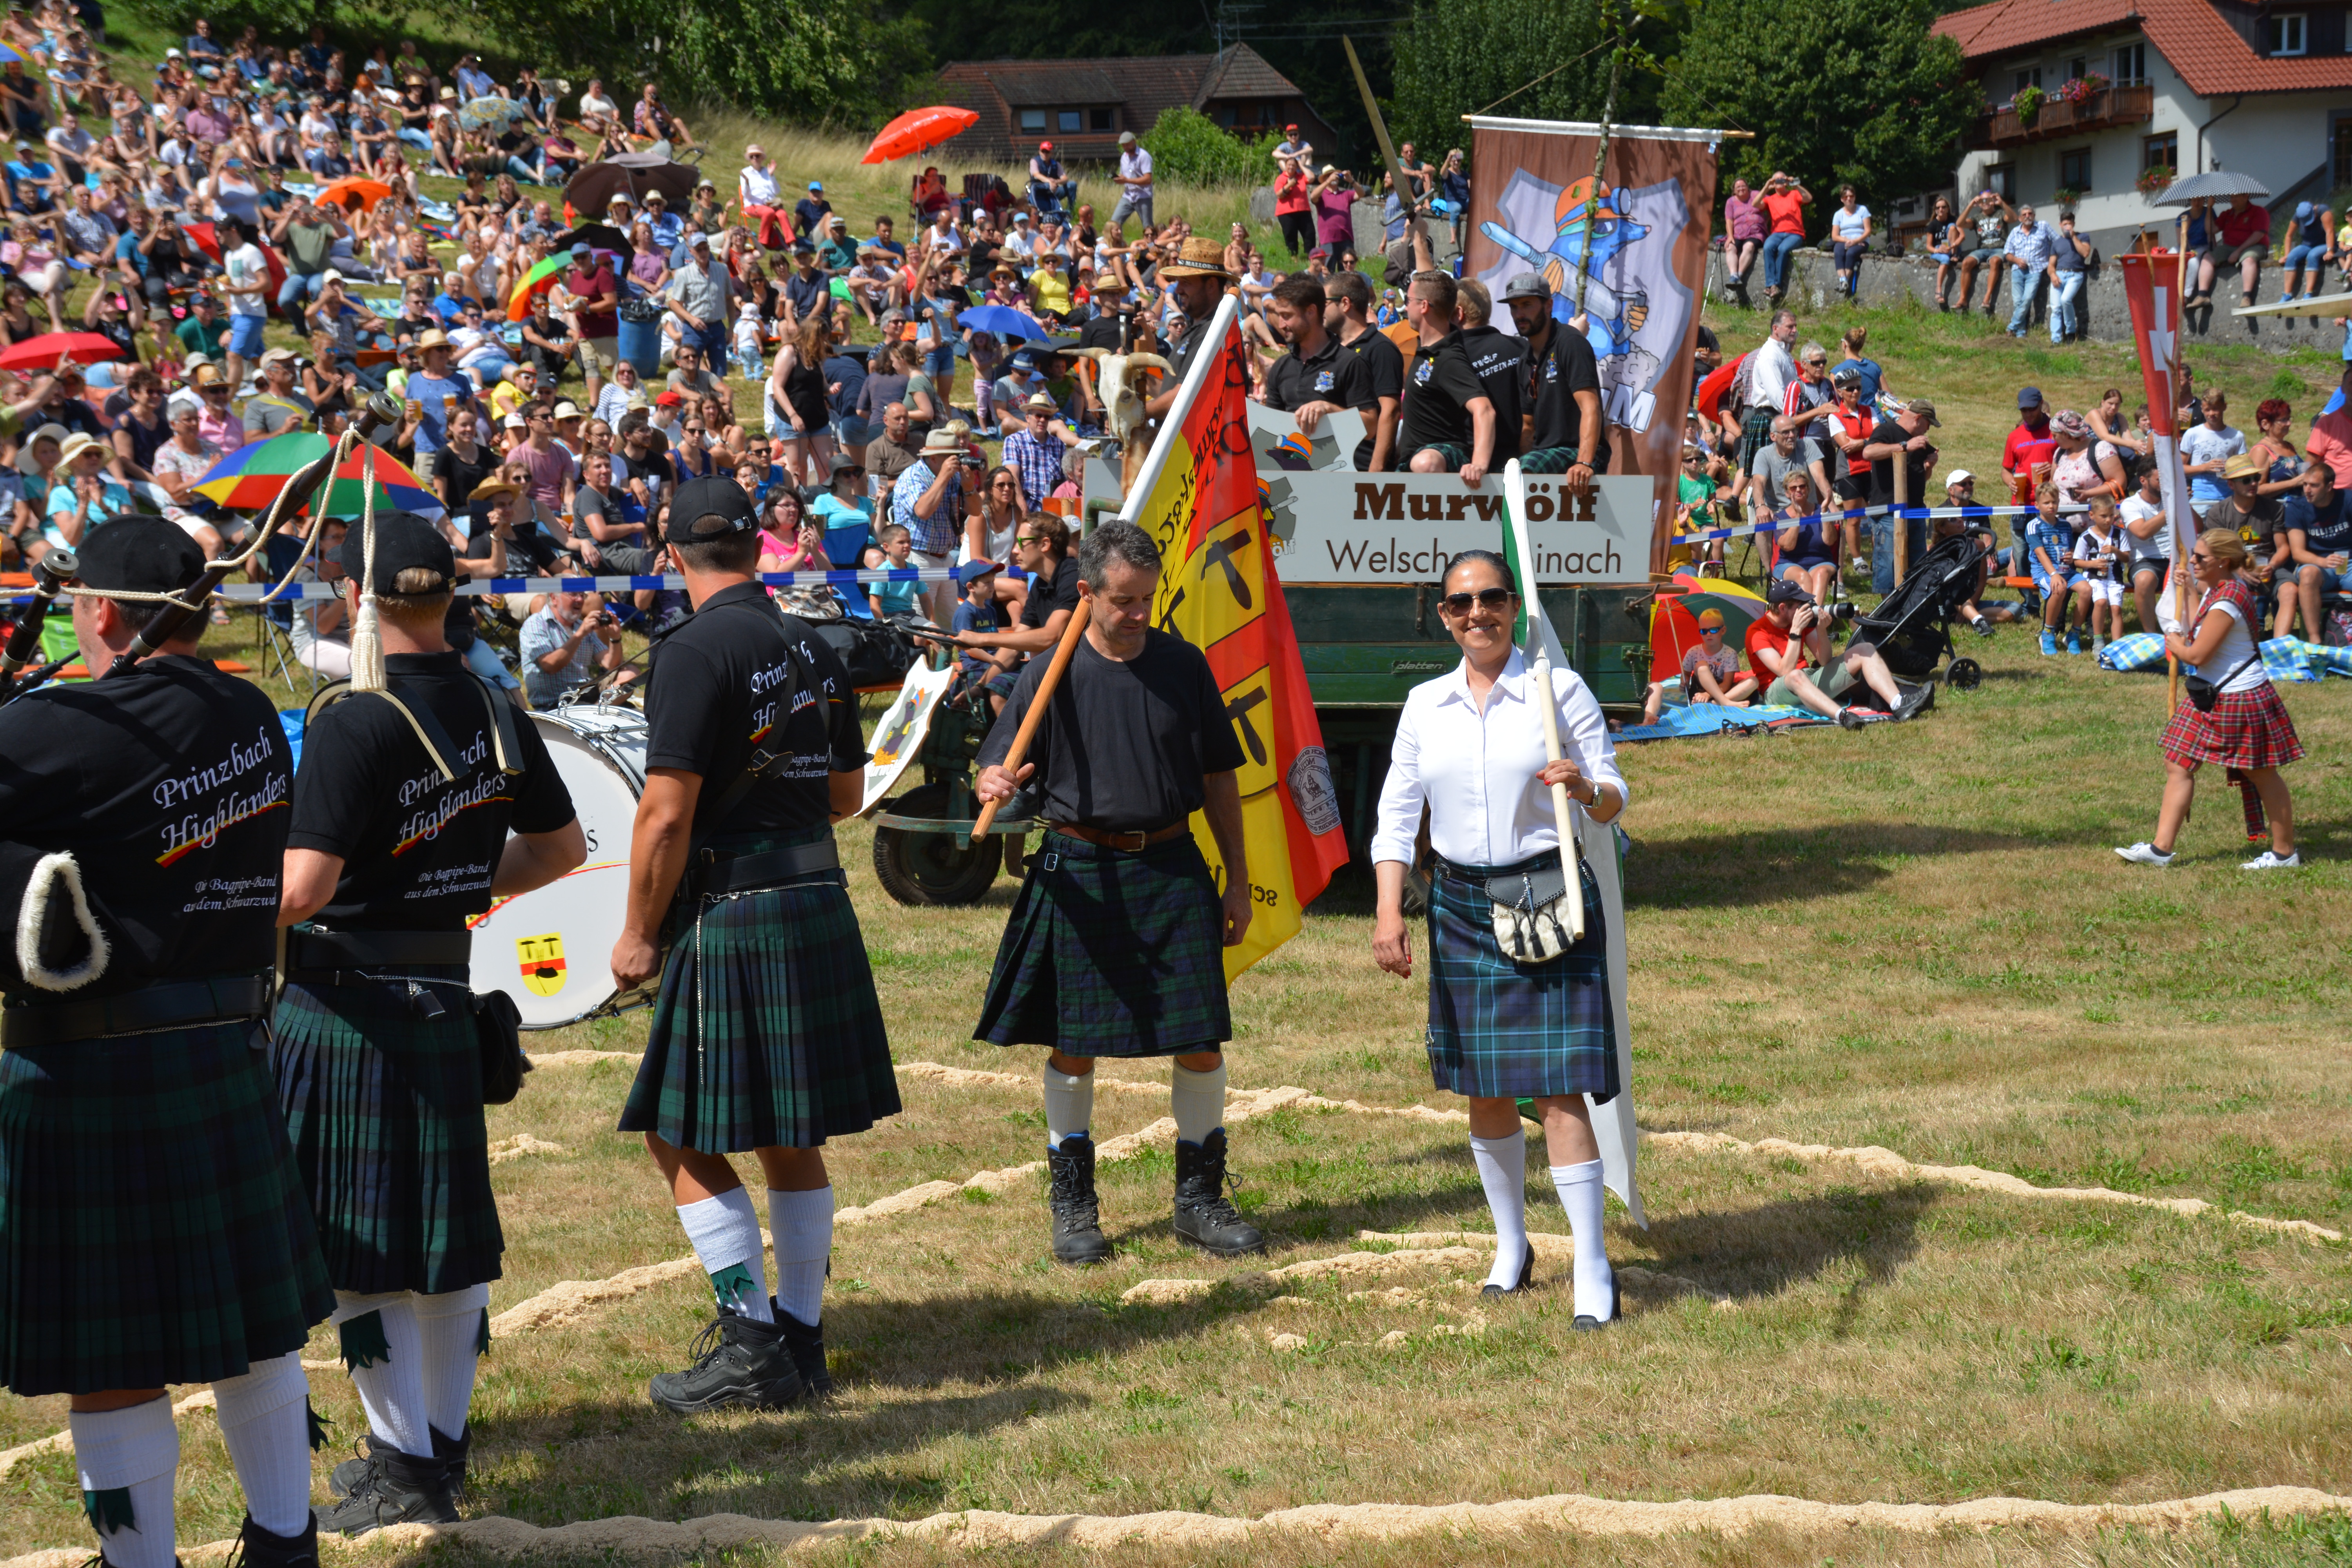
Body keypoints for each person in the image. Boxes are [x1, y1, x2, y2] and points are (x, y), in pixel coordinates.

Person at [0, 518, 332, 1568]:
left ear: (101, 613)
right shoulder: (242, 706)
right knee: (252, 1325)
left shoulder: (61, 729)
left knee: (109, 1351)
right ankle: (287, 1542)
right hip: (225, 1045)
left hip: (96, 1062)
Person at [272, 515, 584, 1536]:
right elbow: (561, 849)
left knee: (361, 1251)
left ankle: (406, 1464)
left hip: (351, 1004)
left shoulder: (353, 719)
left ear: (359, 598)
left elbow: (305, 889)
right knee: (443, 1248)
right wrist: (447, 888)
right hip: (443, 992)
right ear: (447, 593)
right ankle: (433, 1451)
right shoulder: (495, 705)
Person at [609, 475, 897, 1413]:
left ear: (672, 550)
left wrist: (638, 932)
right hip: (816, 892)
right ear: (753, 546)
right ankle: (802, 1345)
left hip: (735, 908)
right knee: (789, 1131)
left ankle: (749, 1341)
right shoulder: (812, 642)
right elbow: (848, 797)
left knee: (676, 1129)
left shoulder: (691, 650)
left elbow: (664, 813)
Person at [970, 521, 1256, 1266]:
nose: (1138, 616)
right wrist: (992, 780)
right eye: (1123, 601)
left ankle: (1199, 1201)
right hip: (1081, 868)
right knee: (1074, 1046)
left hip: (1171, 864)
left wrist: (1236, 879)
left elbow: (1220, 777)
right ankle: (1073, 1205)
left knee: (1199, 1041)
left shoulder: (1183, 666)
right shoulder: (1050, 675)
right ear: (1088, 593)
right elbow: (997, 766)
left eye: (1146, 601)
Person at [1368, 548, 1625, 1321]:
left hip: (1544, 887)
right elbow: (1396, 815)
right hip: (1457, 900)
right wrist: (1388, 911)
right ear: (1441, 614)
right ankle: (1511, 1244)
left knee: (1556, 1085)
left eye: (1489, 599)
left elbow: (1614, 794)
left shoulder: (1557, 690)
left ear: (1513, 606)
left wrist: (1583, 787)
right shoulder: (1425, 704)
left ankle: (1593, 1263)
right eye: (1459, 603)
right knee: (1483, 1086)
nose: (1475, 613)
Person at [2116, 529, 2302, 870]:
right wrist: (2189, 591)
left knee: (2260, 772)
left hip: (2240, 696)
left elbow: (2197, 653)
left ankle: (2284, 853)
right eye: (2195, 555)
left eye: (2202, 557)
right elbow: (2198, 622)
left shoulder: (2228, 599)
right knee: (2178, 761)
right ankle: (2160, 850)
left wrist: (2171, 642)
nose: (2195, 561)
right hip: (2212, 695)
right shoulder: (2220, 590)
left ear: (2224, 562)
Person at [1746, 576, 1918, 723]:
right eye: (1799, 605)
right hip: (1775, 692)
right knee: (1795, 676)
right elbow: (1784, 671)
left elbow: (1825, 661)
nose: (1805, 608)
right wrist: (1796, 632)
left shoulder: (1798, 622)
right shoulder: (1757, 632)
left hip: (1807, 679)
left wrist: (1821, 630)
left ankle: (1899, 704)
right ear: (1783, 608)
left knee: (1866, 649)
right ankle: (1842, 716)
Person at [1501, 273, 1607, 481]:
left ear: (1548, 305)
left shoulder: (1570, 343)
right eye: (1514, 307)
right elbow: (1528, 427)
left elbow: (1590, 406)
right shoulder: (1525, 360)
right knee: (1507, 470)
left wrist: (1584, 463)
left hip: (1578, 452)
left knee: (1524, 468)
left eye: (1527, 304)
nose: (1519, 314)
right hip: (1543, 455)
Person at [1397, 270, 1495, 483]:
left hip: (1438, 459)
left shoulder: (1448, 358)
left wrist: (1478, 465)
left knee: (1425, 463)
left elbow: (1484, 410)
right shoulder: (1428, 348)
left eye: (1408, 300)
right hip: (1411, 466)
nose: (1405, 307)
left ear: (1424, 306)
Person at [1859, 396, 1939, 593]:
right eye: (1928, 424)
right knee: (1888, 564)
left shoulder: (1919, 442)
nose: (1928, 430)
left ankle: (1910, 608)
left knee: (1917, 564)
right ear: (1919, 418)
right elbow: (1868, 453)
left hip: (1916, 511)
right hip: (1888, 511)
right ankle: (1886, 613)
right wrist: (1904, 446)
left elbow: (1922, 477)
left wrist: (1929, 466)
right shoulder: (1887, 430)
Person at [1641, 605, 1754, 722]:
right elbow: (1686, 674)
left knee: (1753, 681)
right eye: (1704, 631)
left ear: (1723, 631)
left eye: (1713, 630)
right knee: (1701, 666)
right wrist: (1684, 682)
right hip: (1698, 693)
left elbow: (1727, 683)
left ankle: (1717, 703)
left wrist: (1708, 695)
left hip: (1721, 691)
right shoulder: (1694, 652)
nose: (1708, 634)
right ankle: (1725, 702)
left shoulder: (1730, 653)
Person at [2277, 463, 2350, 643]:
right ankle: (2315, 641)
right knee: (2308, 574)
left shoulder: (2347, 500)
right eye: (2305, 484)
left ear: (2330, 486)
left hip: (2349, 563)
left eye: (2314, 486)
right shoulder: (2296, 507)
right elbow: (2298, 553)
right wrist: (2323, 562)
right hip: (2319, 565)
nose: (2307, 490)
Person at [521, 588, 626, 706]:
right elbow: (550, 666)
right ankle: (596, 712)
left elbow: (611, 664)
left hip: (586, 694)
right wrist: (580, 635)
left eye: (582, 595)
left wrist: (615, 638)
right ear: (554, 598)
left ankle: (596, 711)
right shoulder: (535, 624)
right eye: (573, 594)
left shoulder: (581, 626)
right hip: (557, 702)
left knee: (629, 675)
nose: (580, 599)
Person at [2121, 459, 2174, 635]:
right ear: (2143, 480)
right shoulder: (2131, 505)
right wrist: (2169, 510)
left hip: (2176, 558)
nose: (2165, 484)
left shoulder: (2173, 500)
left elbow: (2197, 527)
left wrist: (2181, 502)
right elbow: (2142, 532)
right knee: (2144, 581)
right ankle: (2152, 635)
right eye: (2160, 480)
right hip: (2145, 561)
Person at [2071, 494, 2127, 651]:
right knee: (2101, 602)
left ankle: (2117, 646)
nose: (2108, 520)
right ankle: (2098, 641)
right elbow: (2077, 561)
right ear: (2092, 515)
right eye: (2103, 516)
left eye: (2111, 516)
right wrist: (2093, 564)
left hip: (2115, 577)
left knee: (2116, 609)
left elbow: (2127, 557)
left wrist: (2116, 551)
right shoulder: (2086, 537)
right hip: (2094, 577)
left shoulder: (2120, 534)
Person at [2002, 203, 2055, 338]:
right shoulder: (2015, 232)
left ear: (2034, 216)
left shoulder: (2043, 226)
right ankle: (2021, 332)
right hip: (2017, 270)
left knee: (2027, 299)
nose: (2028, 217)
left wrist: (2052, 262)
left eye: (2030, 214)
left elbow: (2057, 242)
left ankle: (2012, 327)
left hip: (2036, 270)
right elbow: (2007, 253)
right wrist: (2016, 260)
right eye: (2024, 215)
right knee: (2018, 301)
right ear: (2020, 218)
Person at [1756, 172, 1810, 301]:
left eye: (1782, 180)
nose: (1779, 182)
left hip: (1795, 234)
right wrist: (1766, 187)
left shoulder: (1794, 194)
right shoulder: (1771, 199)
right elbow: (1756, 204)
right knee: (1768, 247)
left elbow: (1808, 198)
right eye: (1777, 180)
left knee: (1783, 249)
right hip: (1777, 234)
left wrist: (1795, 185)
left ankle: (1777, 285)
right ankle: (1771, 284)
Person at [2047, 212, 2094, 343]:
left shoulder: (2083, 237)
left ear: (2074, 224)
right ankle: (2055, 340)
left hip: (2075, 274)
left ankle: (2071, 333)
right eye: (2065, 224)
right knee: (2055, 308)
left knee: (2065, 300)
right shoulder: (2057, 243)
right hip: (2059, 274)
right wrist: (2053, 275)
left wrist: (2073, 237)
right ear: (2060, 225)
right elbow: (2051, 265)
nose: (2067, 227)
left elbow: (2085, 253)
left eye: (2070, 224)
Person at [1721, 176, 1764, 300]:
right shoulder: (1731, 202)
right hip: (1738, 233)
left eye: (1743, 186)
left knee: (1749, 246)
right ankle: (1733, 276)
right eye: (1738, 187)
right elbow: (1729, 220)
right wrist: (1730, 236)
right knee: (1730, 247)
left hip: (1755, 233)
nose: (1741, 189)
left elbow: (1770, 206)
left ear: (1748, 187)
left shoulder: (1756, 195)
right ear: (1734, 191)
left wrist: (1764, 222)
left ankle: (1738, 276)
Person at [1826, 185, 1871, 298]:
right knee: (1838, 251)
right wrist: (1847, 240)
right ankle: (1843, 280)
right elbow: (1835, 236)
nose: (1849, 199)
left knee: (1851, 254)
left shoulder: (1863, 210)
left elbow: (1868, 230)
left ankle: (1844, 281)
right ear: (1842, 199)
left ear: (1855, 197)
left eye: (1851, 196)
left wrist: (1856, 241)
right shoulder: (1838, 214)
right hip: (1844, 240)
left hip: (1861, 240)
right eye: (1846, 197)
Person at [1111, 130, 1153, 231]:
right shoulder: (1124, 158)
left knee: (1148, 227)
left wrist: (1127, 180)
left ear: (1134, 142)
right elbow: (1124, 175)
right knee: (1114, 223)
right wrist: (1120, 179)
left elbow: (1148, 179)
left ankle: (1151, 245)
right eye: (1124, 146)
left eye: (1128, 145)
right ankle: (1120, 245)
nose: (1126, 148)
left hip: (1143, 196)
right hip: (1128, 196)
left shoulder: (1144, 156)